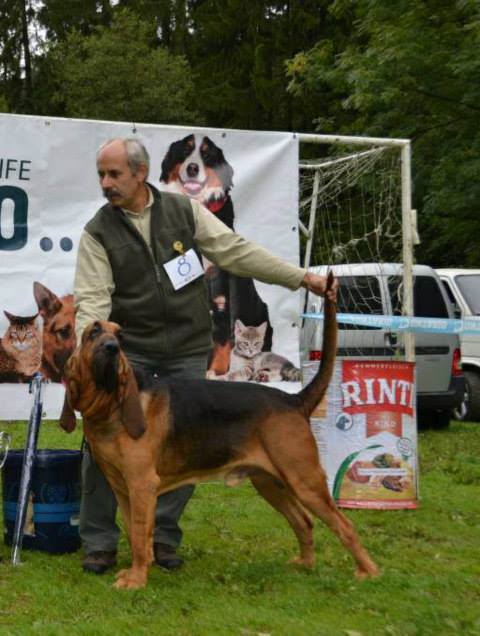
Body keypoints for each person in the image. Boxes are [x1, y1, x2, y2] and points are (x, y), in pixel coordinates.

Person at [71, 137, 336, 575]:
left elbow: (235, 251)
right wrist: (96, 343)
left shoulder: (183, 212)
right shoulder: (97, 233)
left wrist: (301, 278)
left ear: (140, 173)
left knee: (182, 449)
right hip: (130, 356)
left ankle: (162, 539)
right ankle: (99, 541)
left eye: (114, 173)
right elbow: (93, 300)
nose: (106, 183)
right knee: (102, 449)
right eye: (101, 174)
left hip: (188, 350)